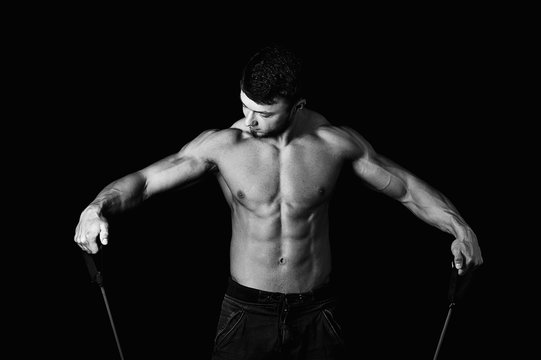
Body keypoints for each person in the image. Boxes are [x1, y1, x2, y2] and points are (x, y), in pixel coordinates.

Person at [74, 44, 483, 359]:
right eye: (244, 107)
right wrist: (96, 206)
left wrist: (460, 228)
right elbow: (144, 182)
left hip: (317, 312)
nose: (248, 122)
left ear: (297, 106)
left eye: (262, 114)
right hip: (245, 313)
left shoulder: (334, 144)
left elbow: (408, 188)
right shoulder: (223, 145)